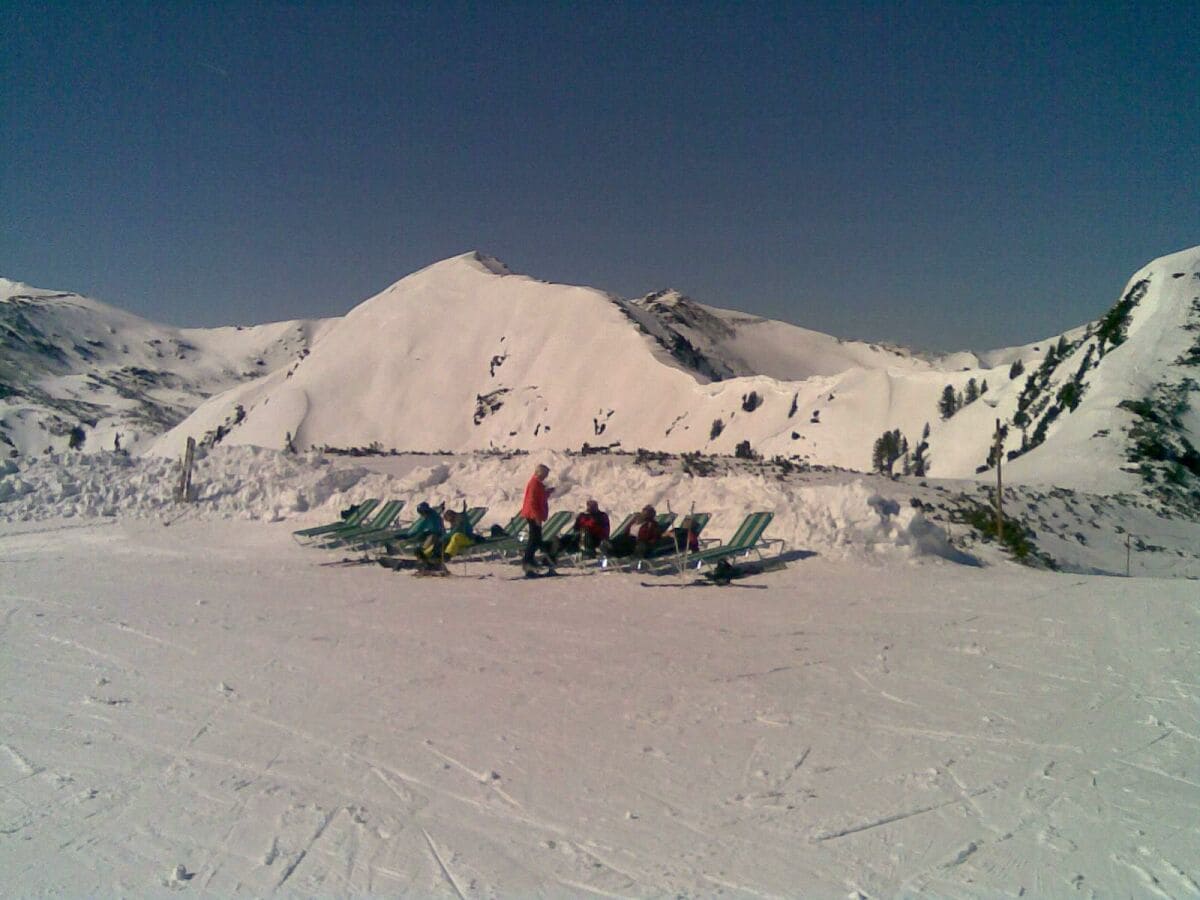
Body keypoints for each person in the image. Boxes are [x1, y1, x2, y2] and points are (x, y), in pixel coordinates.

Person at [520, 464, 554, 574]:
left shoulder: (537, 483)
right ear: (540, 473)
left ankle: (529, 560)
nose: (546, 477)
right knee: (534, 540)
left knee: (536, 539)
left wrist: (548, 492)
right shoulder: (534, 483)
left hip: (533, 514)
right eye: (545, 474)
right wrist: (536, 517)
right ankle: (527, 561)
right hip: (533, 515)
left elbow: (539, 497)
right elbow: (532, 501)